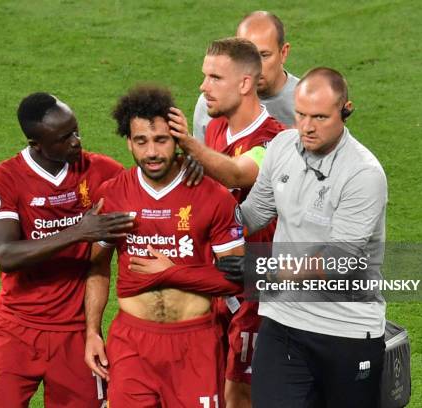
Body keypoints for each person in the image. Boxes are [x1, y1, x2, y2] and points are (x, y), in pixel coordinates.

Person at [233, 67, 388, 407]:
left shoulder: (363, 174)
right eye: (301, 115)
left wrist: (269, 271)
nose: (306, 127)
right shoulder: (282, 146)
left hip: (347, 332)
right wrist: (206, 223)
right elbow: (254, 214)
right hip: (284, 323)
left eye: (319, 117)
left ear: (346, 111)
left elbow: (340, 260)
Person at [84, 85, 245, 407]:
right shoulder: (113, 195)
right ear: (129, 142)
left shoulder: (212, 195)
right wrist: (92, 331)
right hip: (132, 342)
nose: (152, 152)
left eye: (160, 140)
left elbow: (237, 278)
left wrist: (172, 273)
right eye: (141, 141)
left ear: (176, 139)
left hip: (195, 342)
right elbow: (97, 266)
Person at [0, 92, 137, 407]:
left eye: (76, 131)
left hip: (75, 334)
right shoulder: (4, 179)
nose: (76, 142)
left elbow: (146, 196)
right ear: (36, 144)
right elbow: (6, 254)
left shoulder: (103, 172)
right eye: (64, 138)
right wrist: (78, 232)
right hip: (15, 330)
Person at [168, 37, 285, 407]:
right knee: (213, 386)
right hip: (222, 282)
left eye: (215, 77)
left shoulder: (276, 140)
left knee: (242, 393)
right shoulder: (219, 129)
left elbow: (237, 174)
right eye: (205, 76)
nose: (203, 87)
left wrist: (186, 142)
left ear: (245, 83)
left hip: (258, 290)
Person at [193, 10, 299, 141]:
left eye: (264, 55)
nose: (254, 66)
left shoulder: (308, 103)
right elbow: (201, 159)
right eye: (246, 56)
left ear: (283, 53)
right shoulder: (211, 101)